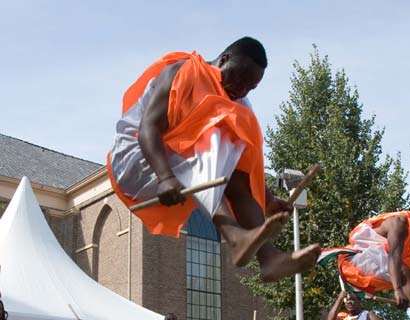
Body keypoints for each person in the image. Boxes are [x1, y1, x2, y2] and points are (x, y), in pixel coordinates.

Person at [108, 37, 320, 282]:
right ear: (223, 59)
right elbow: (148, 128)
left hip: (177, 162)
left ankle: (268, 258)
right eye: (239, 78)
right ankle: (235, 236)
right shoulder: (182, 72)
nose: (241, 90)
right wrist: (166, 177)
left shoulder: (238, 103)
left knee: (236, 151)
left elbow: (242, 163)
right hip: (134, 158)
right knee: (215, 137)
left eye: (249, 88)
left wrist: (268, 199)